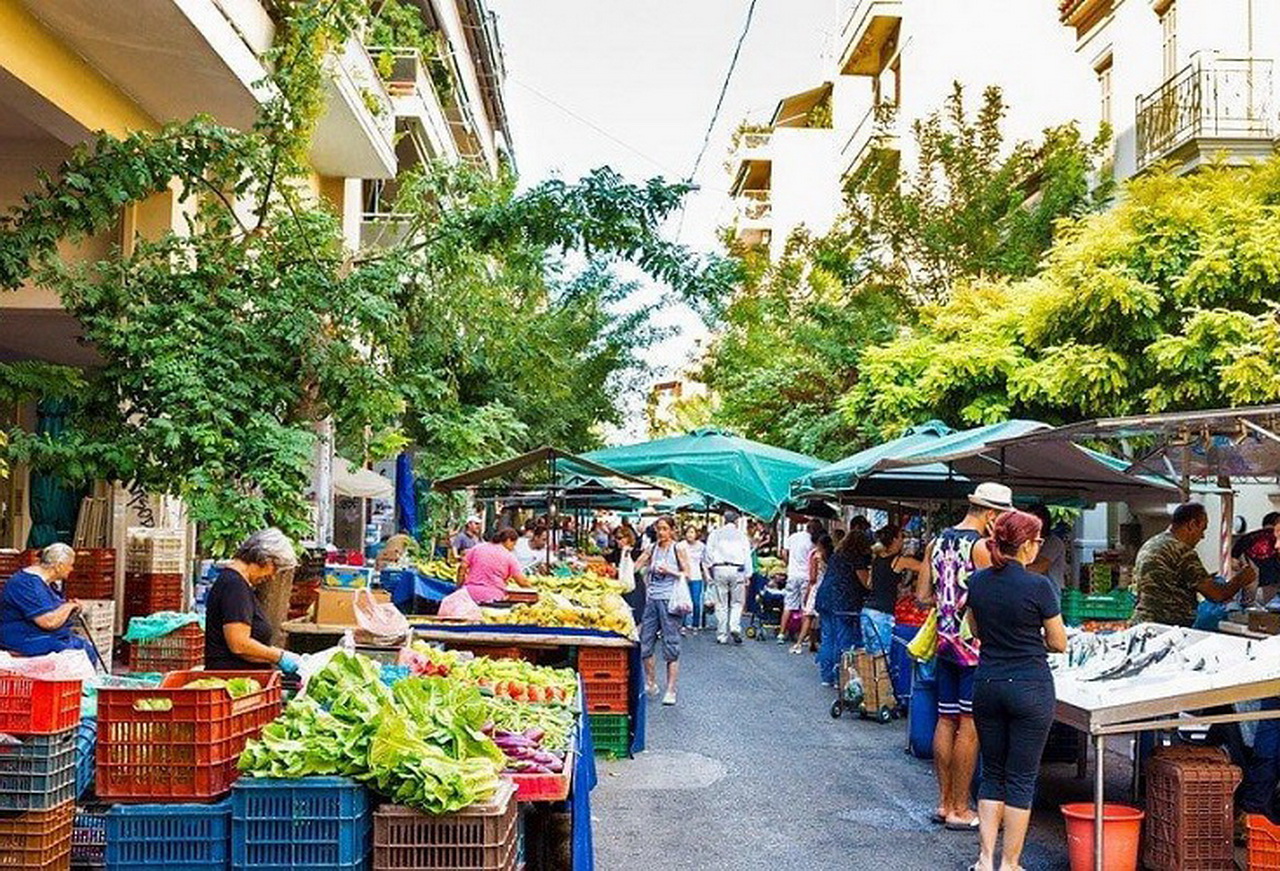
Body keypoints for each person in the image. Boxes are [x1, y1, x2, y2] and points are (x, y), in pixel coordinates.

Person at [966, 510, 1068, 871]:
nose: (1038, 546)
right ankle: (1010, 864)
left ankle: (983, 860)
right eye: (1037, 540)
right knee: (1021, 778)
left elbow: (975, 630)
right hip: (1030, 686)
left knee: (992, 772)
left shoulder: (977, 582)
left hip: (988, 682)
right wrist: (1030, 636)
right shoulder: (1039, 587)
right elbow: (1059, 642)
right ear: (1025, 544)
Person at [917, 481, 1013, 831]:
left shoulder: (936, 541)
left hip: (944, 645)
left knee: (945, 721)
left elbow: (922, 595)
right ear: (991, 515)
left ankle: (943, 804)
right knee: (969, 727)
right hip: (974, 649)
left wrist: (948, 604)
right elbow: (996, 598)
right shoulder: (983, 549)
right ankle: (960, 807)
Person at [1132, 502, 1257, 627]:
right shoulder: (1181, 551)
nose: (1202, 536)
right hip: (1165, 627)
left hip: (1142, 623)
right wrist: (1240, 579)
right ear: (1191, 525)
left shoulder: (1151, 543)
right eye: (1202, 529)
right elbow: (1217, 595)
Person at [204, 528, 302, 672]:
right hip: (233, 680)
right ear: (266, 559)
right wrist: (278, 656)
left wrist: (275, 654)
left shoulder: (238, 584)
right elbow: (239, 644)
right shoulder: (234, 586)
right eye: (275, 568)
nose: (272, 576)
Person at [0, 543, 100, 664]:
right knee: (79, 652)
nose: (72, 569)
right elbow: (48, 622)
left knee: (84, 646)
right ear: (59, 566)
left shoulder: (47, 583)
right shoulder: (27, 584)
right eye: (70, 565)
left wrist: (68, 607)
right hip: (25, 639)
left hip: (39, 637)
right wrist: (69, 606)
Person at [633, 515, 693, 706]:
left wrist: (669, 571)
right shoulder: (652, 548)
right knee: (645, 643)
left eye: (665, 529)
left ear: (673, 530)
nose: (661, 532)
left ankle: (671, 689)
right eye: (659, 529)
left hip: (670, 601)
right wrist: (626, 564)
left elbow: (688, 574)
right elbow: (638, 564)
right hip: (652, 600)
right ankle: (651, 682)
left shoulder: (678, 548)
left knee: (671, 645)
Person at [815, 519, 871, 685]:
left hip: (825, 598)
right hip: (843, 602)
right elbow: (866, 583)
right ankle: (841, 677)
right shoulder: (857, 558)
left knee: (828, 638)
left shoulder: (837, 555)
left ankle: (827, 676)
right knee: (842, 639)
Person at [862, 525, 922, 656]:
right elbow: (925, 568)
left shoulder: (877, 558)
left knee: (872, 658)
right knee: (884, 659)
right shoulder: (899, 561)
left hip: (868, 612)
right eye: (901, 537)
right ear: (894, 540)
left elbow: (870, 584)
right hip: (883, 614)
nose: (903, 540)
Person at [703, 509, 752, 644]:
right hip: (737, 570)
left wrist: (710, 567)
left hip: (720, 568)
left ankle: (722, 635)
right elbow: (747, 555)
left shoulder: (715, 534)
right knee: (737, 602)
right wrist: (748, 573)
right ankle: (734, 626)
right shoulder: (741, 535)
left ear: (724, 519)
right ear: (736, 521)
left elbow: (708, 553)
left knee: (721, 603)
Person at [457, 528, 533, 605]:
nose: (513, 548)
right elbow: (521, 581)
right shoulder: (509, 557)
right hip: (493, 597)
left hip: (468, 593)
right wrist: (533, 591)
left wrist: (459, 586)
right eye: (513, 544)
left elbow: (462, 567)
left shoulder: (477, 548)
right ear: (508, 540)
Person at [780, 518, 822, 645]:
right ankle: (804, 635)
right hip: (806, 576)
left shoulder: (794, 537)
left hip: (792, 574)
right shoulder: (814, 542)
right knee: (805, 607)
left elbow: (783, 552)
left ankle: (781, 633)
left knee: (788, 605)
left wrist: (789, 564)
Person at [791, 533, 831, 654]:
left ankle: (798, 644)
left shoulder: (816, 556)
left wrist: (808, 590)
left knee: (808, 616)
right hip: (827, 588)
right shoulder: (831, 556)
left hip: (816, 588)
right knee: (821, 617)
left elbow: (812, 577)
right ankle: (815, 643)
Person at [1233, 511, 1280, 603]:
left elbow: (1233, 562)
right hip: (1274, 584)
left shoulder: (1246, 538)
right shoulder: (1276, 536)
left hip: (1251, 587)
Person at [1026, 504, 1068, 589]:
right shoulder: (1028, 541)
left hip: (1050, 590)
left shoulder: (1053, 542)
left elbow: (1040, 567)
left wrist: (1014, 570)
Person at [681, 524, 708, 632]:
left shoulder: (701, 546)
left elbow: (704, 563)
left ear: (696, 534)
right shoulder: (680, 545)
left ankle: (695, 624)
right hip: (683, 577)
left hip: (697, 577)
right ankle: (682, 624)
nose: (690, 534)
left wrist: (707, 576)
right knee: (683, 601)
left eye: (692, 532)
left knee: (696, 601)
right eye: (688, 532)